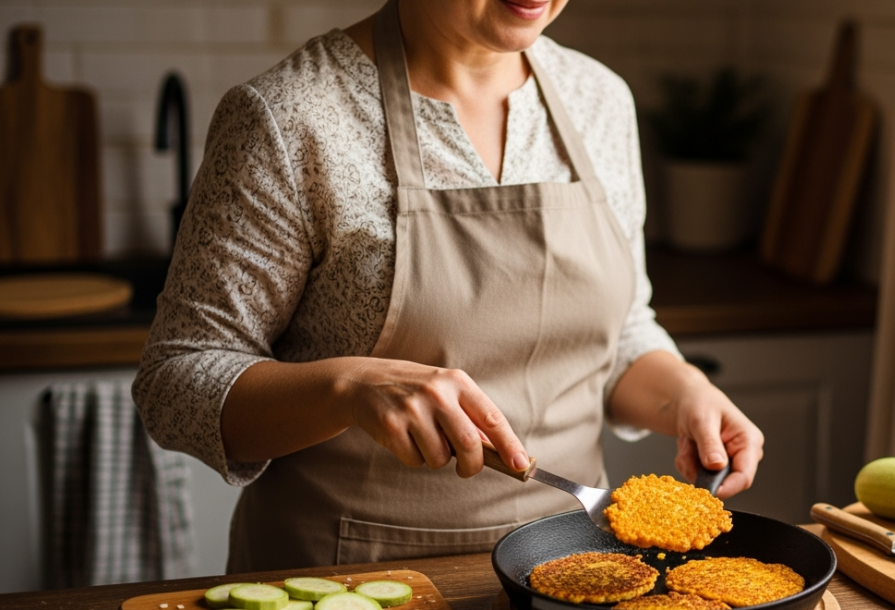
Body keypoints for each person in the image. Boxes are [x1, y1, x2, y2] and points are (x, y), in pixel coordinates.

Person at [132, 0, 763, 573]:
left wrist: (682, 391)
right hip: (349, 577)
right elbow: (175, 382)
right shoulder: (290, 117)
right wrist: (350, 388)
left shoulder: (599, 98)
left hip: (573, 569)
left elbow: (619, 331)